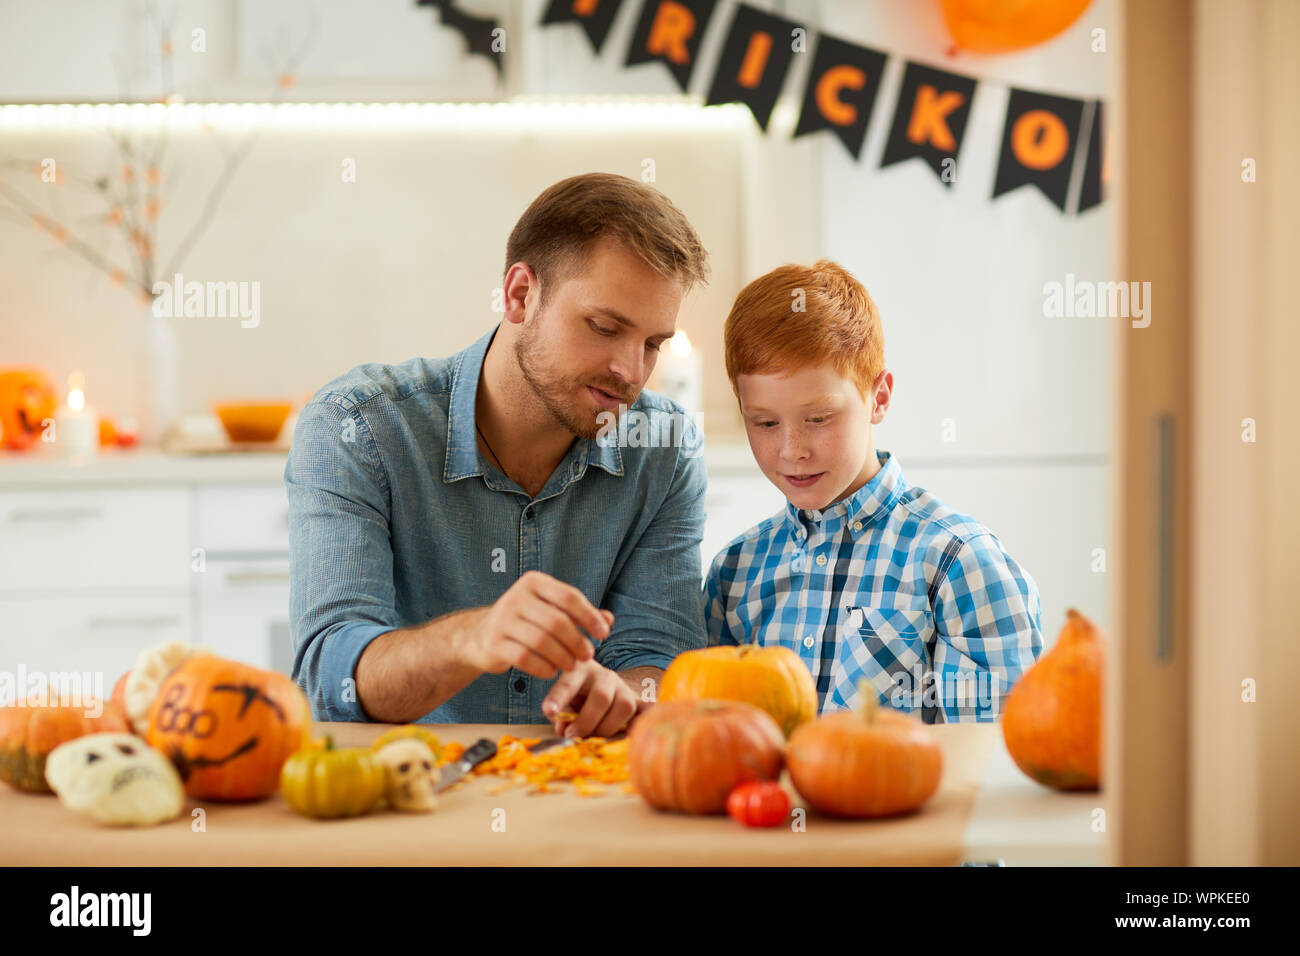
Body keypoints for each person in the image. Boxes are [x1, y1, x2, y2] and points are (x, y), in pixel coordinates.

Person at [286, 172, 711, 737]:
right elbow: (332, 676)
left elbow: (658, 653)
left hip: (580, 793)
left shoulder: (664, 449)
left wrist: (625, 692)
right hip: (411, 796)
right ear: (519, 295)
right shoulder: (358, 428)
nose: (632, 373)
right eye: (605, 327)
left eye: (653, 344)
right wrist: (471, 638)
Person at [704, 259, 1042, 722]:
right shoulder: (733, 575)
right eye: (764, 422)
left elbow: (993, 758)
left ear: (878, 397)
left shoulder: (957, 563)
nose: (792, 450)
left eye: (819, 418)